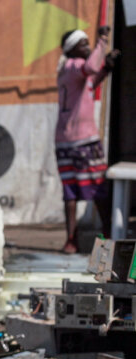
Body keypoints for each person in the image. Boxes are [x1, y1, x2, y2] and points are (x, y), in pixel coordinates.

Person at [56, 26, 121, 253]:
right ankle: (108, 233)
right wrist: (102, 41)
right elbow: (92, 67)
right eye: (83, 44)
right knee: (98, 189)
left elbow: (92, 81)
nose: (87, 48)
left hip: (64, 140)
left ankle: (71, 240)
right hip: (83, 140)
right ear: (72, 49)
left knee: (71, 192)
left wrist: (107, 68)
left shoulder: (67, 70)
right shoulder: (75, 66)